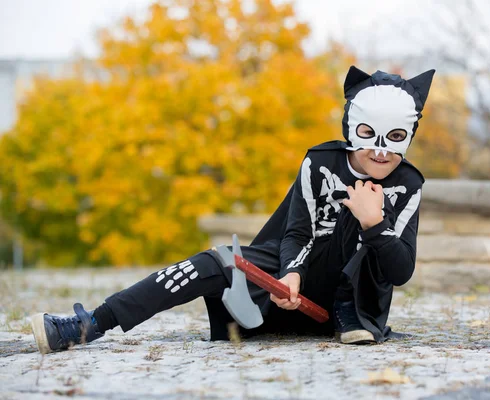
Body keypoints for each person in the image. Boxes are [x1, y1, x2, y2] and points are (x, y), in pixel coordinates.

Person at [31, 65, 435, 354]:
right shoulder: (319, 162)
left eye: (395, 137)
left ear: (409, 133)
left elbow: (400, 271)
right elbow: (297, 231)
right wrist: (291, 273)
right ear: (351, 126)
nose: (380, 150)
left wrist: (374, 222)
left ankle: (348, 316)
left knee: (361, 210)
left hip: (355, 311)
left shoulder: (409, 183)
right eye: (368, 135)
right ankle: (91, 323)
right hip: (289, 293)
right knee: (218, 261)